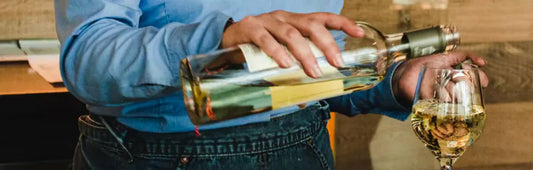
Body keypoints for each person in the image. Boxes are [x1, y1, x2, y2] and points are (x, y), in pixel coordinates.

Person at [54, 0, 489, 169]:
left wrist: (394, 82)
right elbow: (87, 62)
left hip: (302, 150)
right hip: (156, 158)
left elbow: (311, 69)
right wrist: (220, 39)